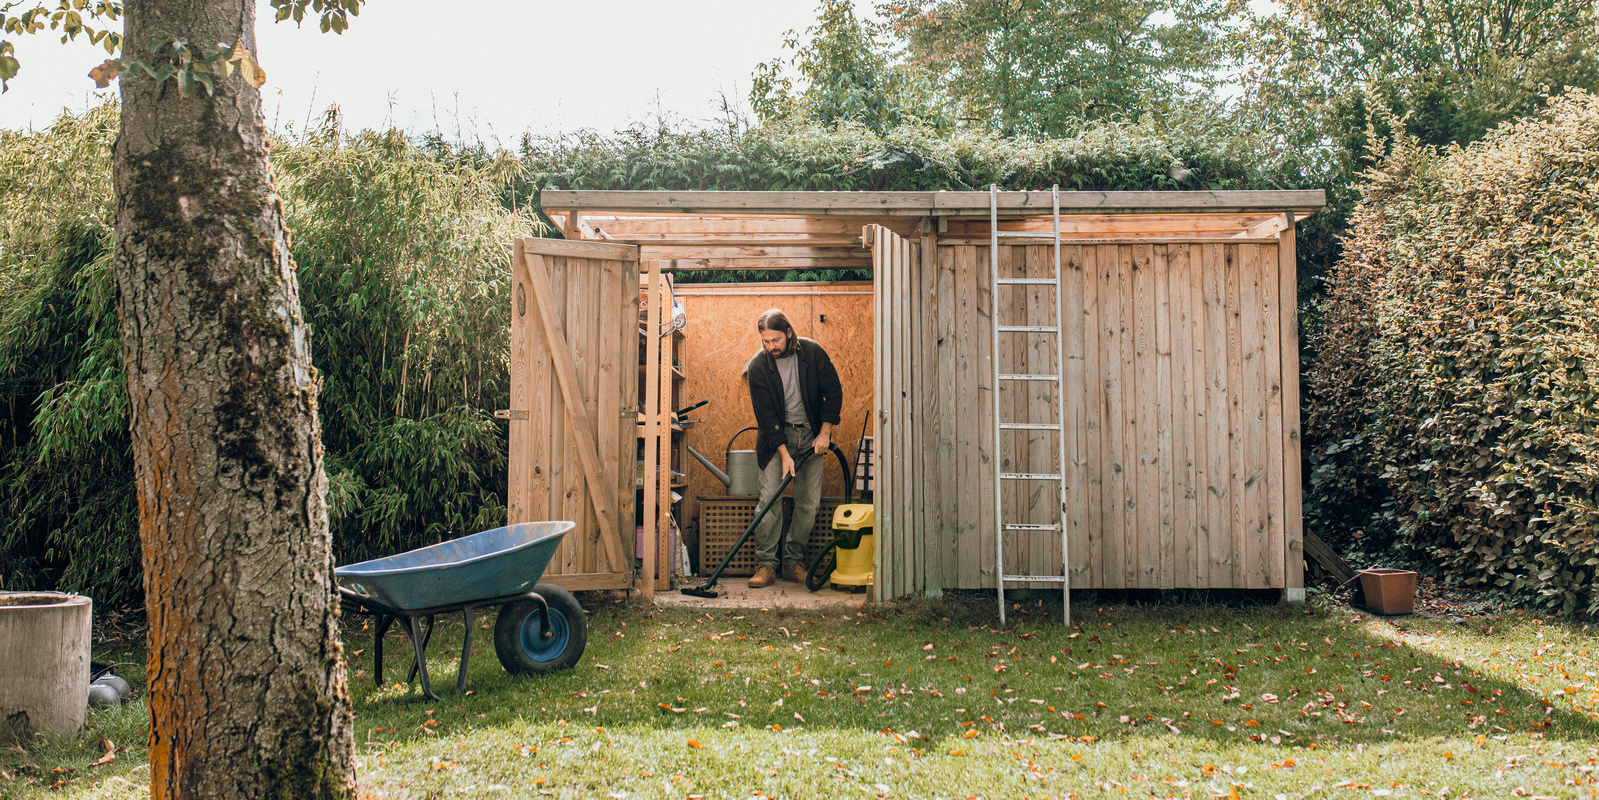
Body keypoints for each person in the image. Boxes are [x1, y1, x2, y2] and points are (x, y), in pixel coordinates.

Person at [743, 309, 843, 588]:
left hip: (812, 438)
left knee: (808, 504)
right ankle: (766, 565)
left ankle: (792, 562)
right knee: (769, 502)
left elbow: (833, 393)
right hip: (775, 440)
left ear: (788, 332)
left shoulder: (812, 353)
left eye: (775, 340)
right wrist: (785, 455)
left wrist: (824, 433)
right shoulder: (759, 367)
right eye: (765, 342)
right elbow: (766, 418)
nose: (770, 347)